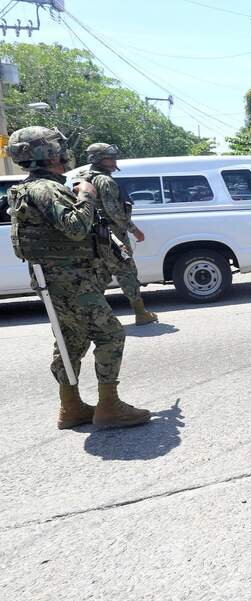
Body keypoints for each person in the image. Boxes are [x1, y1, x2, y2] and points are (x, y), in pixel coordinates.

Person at [6, 127, 151, 429]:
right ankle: (109, 406)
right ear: (46, 153)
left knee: (70, 339)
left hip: (60, 280)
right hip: (70, 281)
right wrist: (86, 195)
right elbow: (74, 226)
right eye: (56, 147)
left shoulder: (34, 187)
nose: (63, 151)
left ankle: (70, 407)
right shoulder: (44, 189)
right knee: (110, 335)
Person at [79, 143, 158, 326]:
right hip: (111, 235)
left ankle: (90, 319)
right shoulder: (105, 181)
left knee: (98, 275)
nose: (114, 161)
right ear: (97, 159)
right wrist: (133, 229)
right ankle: (140, 313)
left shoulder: (82, 177)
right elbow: (113, 210)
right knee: (127, 271)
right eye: (109, 157)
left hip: (91, 236)